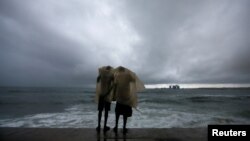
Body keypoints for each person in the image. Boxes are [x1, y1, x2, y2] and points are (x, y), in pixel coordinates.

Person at [112, 66, 145, 134]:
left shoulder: (117, 75)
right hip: (126, 97)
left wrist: (114, 95)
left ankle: (116, 126)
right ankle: (124, 128)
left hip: (119, 96)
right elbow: (133, 80)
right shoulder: (128, 75)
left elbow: (115, 85)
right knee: (125, 114)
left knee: (117, 113)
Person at [95, 66, 114, 132]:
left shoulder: (102, 73)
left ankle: (99, 126)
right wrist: (109, 91)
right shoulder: (111, 74)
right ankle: (104, 126)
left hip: (101, 94)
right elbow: (113, 84)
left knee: (100, 110)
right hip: (107, 95)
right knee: (106, 111)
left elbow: (97, 80)